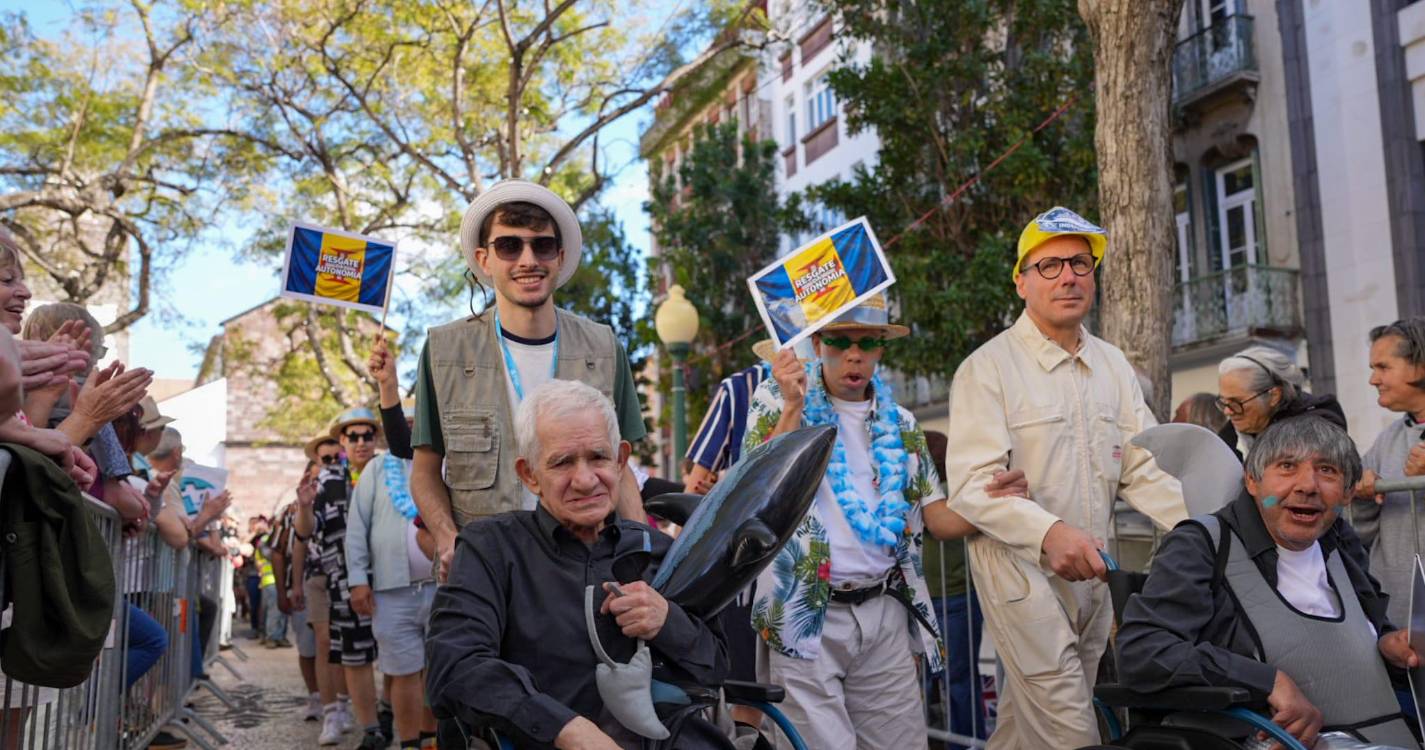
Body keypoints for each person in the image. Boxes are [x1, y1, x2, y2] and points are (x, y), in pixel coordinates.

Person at [944, 207, 1188, 749]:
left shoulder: (1113, 364)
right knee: (1071, 725)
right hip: (1018, 572)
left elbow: (1143, 465)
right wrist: (1049, 533)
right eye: (1050, 265)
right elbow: (971, 487)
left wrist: (1209, 523)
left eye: (1080, 262)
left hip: (1092, 573)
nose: (1069, 276)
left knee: (1027, 723)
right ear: (1021, 281)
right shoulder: (987, 369)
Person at [743, 293, 998, 749]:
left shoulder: (901, 424)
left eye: (867, 342)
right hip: (807, 613)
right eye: (840, 341)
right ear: (818, 344)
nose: (854, 355)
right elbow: (759, 492)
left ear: (881, 349)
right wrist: (790, 407)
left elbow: (937, 518)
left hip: (883, 612)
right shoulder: (777, 401)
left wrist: (996, 502)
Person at [426, 379, 727, 748]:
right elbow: (454, 666)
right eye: (562, 462)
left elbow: (716, 669)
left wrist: (669, 621)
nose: (585, 480)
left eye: (598, 457)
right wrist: (566, 730)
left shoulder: (659, 553)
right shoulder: (491, 548)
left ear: (620, 461)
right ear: (530, 475)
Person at [1117, 418, 1419, 749]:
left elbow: (1356, 639)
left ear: (1348, 493)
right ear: (1252, 480)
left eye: (1327, 470)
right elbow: (1144, 652)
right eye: (1287, 466)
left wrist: (1390, 644)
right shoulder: (1202, 545)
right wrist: (1267, 681)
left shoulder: (1338, 541)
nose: (1308, 485)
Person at [410, 180, 648, 580]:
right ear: (484, 259)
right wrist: (448, 538)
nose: (527, 259)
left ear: (560, 255)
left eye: (541, 245)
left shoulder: (604, 348)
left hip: (586, 566)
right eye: (509, 246)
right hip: (485, 570)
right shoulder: (444, 351)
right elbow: (425, 470)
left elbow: (621, 470)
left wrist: (641, 556)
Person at [296, 408, 387, 750]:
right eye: (353, 436)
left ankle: (392, 714)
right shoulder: (329, 480)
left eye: (368, 435)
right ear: (343, 441)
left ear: (376, 438)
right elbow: (305, 533)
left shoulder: (391, 470)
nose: (361, 442)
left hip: (393, 577)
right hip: (345, 580)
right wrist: (304, 507)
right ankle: (370, 728)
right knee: (354, 654)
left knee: (397, 654)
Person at [346, 414, 438, 750]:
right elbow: (357, 529)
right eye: (404, 425)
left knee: (436, 666)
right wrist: (358, 580)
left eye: (416, 424)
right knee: (402, 671)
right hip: (391, 589)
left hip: (440, 585)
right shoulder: (375, 469)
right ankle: (410, 742)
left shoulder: (442, 465)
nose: (410, 430)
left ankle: (431, 739)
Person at [1353, 317, 1425, 631]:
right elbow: (1358, 536)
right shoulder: (1388, 439)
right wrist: (1364, 497)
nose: (1373, 379)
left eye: (1383, 367)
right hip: (1396, 623)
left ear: (1420, 366)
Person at [921, 431, 985, 750]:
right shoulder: (954, 495)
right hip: (950, 596)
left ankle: (956, 741)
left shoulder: (935, 498)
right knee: (958, 679)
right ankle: (965, 741)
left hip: (946, 598)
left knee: (944, 681)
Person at [293, 433, 357, 744]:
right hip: (320, 574)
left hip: (353, 573)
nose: (333, 463)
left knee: (347, 644)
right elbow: (302, 535)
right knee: (323, 642)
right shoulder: (312, 490)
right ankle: (330, 712)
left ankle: (344, 704)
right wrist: (304, 506)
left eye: (338, 457)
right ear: (317, 461)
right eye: (326, 459)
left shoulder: (358, 482)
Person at [1215, 345, 1345, 458]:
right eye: (1223, 401)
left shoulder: (1317, 428)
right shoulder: (1228, 439)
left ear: (1274, 396)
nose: (1228, 411)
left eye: (1236, 402)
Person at [269, 490, 323, 722]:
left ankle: (334, 699)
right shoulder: (290, 512)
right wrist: (283, 591)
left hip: (334, 584)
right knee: (308, 647)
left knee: (330, 646)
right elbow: (278, 553)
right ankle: (315, 695)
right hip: (300, 587)